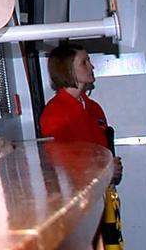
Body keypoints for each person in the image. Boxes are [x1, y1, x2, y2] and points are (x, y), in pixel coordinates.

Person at [40, 42, 122, 185]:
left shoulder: (94, 108)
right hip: (75, 196)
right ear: (68, 69)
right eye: (84, 62)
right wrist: (103, 170)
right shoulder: (54, 113)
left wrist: (112, 167)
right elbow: (58, 163)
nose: (92, 67)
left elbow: (103, 151)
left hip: (100, 191)